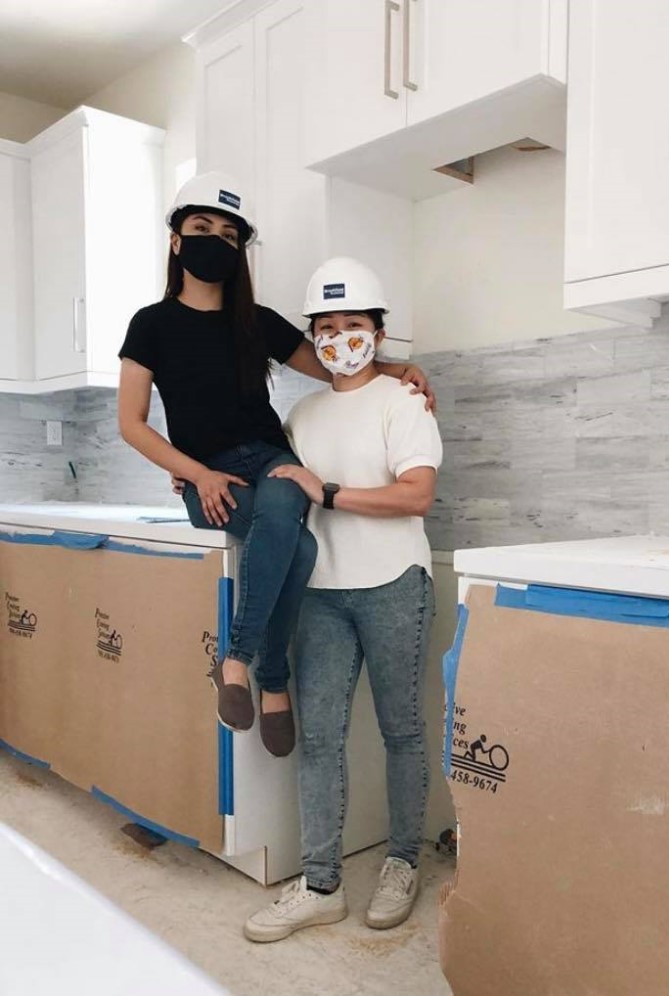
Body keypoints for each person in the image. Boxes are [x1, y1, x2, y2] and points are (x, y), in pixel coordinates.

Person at [117, 174, 433, 757]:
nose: (216, 241)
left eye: (230, 235)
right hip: (208, 474)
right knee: (304, 550)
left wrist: (400, 371)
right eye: (203, 229)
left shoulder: (255, 320)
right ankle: (272, 680)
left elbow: (335, 364)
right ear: (176, 240)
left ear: (240, 250)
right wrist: (198, 472)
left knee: (290, 505)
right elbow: (131, 423)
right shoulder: (150, 324)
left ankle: (235, 659)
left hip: (270, 458)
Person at [243, 257, 442, 942]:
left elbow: (417, 494)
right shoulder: (302, 412)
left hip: (394, 584)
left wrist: (327, 491)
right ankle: (322, 882)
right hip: (320, 594)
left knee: (402, 730)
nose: (338, 338)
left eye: (353, 325)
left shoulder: (404, 400)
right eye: (325, 327)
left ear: (377, 332)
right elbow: (275, 491)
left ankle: (402, 862)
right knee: (320, 738)